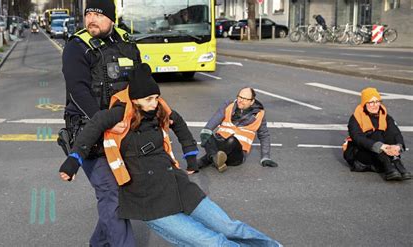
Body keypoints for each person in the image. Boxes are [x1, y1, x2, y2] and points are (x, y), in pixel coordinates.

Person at [59, 63, 282, 247]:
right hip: (149, 200)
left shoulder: (158, 109)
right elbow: (93, 127)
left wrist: (191, 155)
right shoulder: (118, 114)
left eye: (156, 97)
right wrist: (73, 161)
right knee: (215, 243)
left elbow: (180, 124)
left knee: (231, 227)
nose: (154, 103)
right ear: (135, 99)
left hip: (177, 186)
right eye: (149, 99)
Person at [59, 0, 142, 246]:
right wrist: (104, 123)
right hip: (90, 135)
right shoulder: (77, 47)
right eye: (88, 14)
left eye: (98, 14)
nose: (91, 19)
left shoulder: (127, 42)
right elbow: (78, 91)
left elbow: (140, 83)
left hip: (124, 132)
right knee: (111, 194)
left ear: (112, 18)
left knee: (120, 193)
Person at [198, 87, 278, 173]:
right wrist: (206, 132)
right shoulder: (228, 105)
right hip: (220, 144)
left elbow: (264, 135)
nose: (241, 100)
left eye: (245, 99)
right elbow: (211, 124)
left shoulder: (259, 114)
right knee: (205, 133)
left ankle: (207, 160)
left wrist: (265, 157)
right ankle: (215, 158)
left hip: (237, 154)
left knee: (232, 140)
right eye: (240, 97)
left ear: (252, 101)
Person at [343, 87, 411, 181]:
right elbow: (357, 138)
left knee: (390, 134)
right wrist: (381, 146)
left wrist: (397, 146)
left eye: (377, 101)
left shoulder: (385, 116)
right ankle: (388, 166)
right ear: (364, 104)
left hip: (382, 151)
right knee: (376, 134)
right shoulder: (355, 117)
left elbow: (395, 132)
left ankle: (397, 162)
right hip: (360, 153)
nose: (375, 105)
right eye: (371, 102)